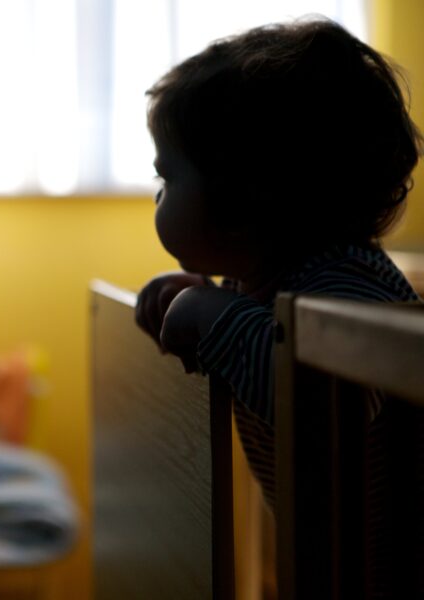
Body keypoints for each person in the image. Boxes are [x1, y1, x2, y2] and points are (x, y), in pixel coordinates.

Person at [134, 18, 422, 509]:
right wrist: (206, 296)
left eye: (167, 179)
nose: (158, 196)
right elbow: (259, 335)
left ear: (243, 201)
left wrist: (211, 312)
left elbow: (319, 407)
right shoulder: (267, 278)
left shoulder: (345, 286)